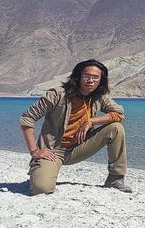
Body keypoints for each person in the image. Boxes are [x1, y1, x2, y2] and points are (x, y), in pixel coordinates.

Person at [19, 59, 132, 195]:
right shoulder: (57, 95)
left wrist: (91, 121)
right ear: (78, 76)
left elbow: (119, 114)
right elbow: (27, 118)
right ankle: (39, 169)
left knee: (116, 128)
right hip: (53, 151)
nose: (91, 81)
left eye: (95, 78)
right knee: (42, 189)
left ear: (101, 80)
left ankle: (115, 179)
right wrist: (34, 151)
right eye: (86, 76)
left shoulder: (99, 96)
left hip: (79, 147)